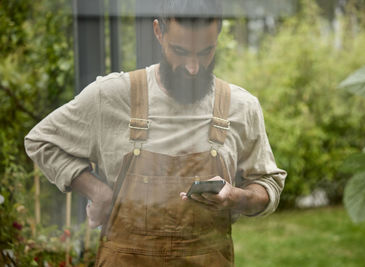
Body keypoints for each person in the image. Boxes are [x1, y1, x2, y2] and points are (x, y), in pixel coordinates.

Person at [25, 1, 286, 266]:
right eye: (180, 51)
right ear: (158, 32)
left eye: (206, 52)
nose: (193, 68)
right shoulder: (112, 96)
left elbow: (268, 184)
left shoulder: (241, 107)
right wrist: (98, 191)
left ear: (218, 34)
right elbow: (41, 141)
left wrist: (235, 197)